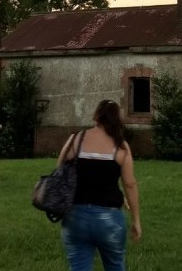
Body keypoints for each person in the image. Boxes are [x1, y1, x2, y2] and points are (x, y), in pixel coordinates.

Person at [57, 100, 141, 271]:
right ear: (117, 119)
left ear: (96, 116)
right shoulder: (120, 146)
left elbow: (60, 171)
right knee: (115, 266)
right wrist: (136, 220)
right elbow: (130, 184)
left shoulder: (76, 139)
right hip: (109, 219)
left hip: (75, 217)